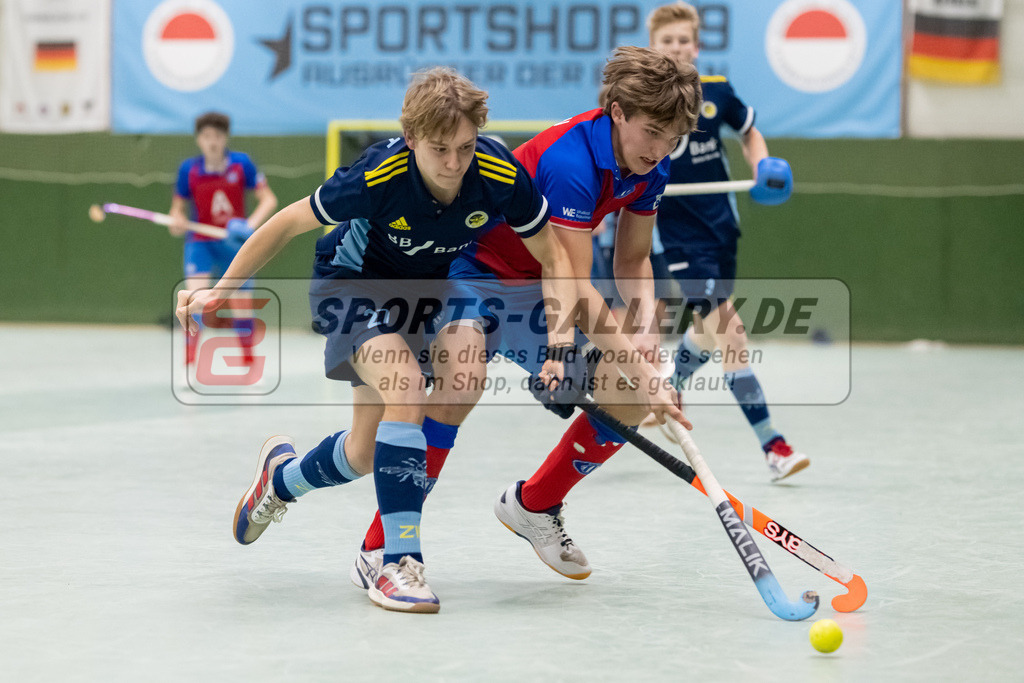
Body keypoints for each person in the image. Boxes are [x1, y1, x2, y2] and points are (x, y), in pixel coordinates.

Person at [175, 68, 578, 614]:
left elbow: (553, 255)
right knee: (407, 389)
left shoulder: (498, 172)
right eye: (440, 149)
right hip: (353, 284)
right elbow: (289, 221)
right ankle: (397, 564)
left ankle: (282, 479)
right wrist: (221, 293)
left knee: (368, 450)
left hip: (433, 288)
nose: (454, 163)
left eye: (464, 147)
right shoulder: (379, 174)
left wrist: (557, 347)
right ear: (411, 139)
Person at [350, 46, 701, 586]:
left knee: (626, 391)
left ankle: (536, 504)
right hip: (474, 269)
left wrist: (646, 339)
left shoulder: (650, 164)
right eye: (652, 131)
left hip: (540, 288)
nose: (660, 147)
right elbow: (575, 285)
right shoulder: (570, 163)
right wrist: (641, 366)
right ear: (618, 113)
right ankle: (383, 548)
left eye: (672, 137)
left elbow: (632, 259)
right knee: (460, 380)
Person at [646, 2, 807, 482]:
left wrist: (761, 165)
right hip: (673, 234)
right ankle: (773, 445)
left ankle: (669, 388)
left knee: (708, 330)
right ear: (653, 48)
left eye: (682, 41)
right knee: (730, 331)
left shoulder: (715, 93)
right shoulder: (641, 104)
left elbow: (749, 131)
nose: (675, 49)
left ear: (696, 47)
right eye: (666, 41)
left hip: (721, 226)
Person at [169, 112, 278, 371]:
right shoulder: (189, 170)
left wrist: (248, 227)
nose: (212, 142)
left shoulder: (242, 165)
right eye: (207, 137)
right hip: (200, 243)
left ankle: (250, 363)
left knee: (241, 306)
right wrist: (177, 220)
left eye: (217, 136)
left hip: (235, 244)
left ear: (225, 137)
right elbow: (176, 211)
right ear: (199, 140)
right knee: (194, 299)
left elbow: (269, 200)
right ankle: (188, 364)